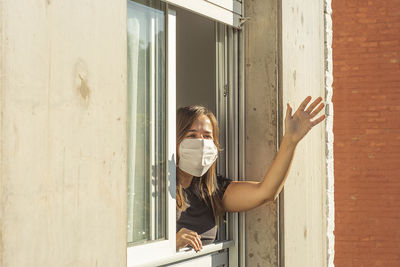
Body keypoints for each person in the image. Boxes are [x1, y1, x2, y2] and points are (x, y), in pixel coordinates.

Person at [175, 96, 326, 251]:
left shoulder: (211, 190)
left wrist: (290, 140)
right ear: (175, 140)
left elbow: (265, 192)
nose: (201, 143)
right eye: (192, 135)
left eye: (207, 136)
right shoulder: (157, 187)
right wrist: (170, 244)